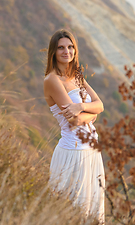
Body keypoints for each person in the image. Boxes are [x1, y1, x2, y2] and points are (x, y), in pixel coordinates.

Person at [43, 29, 105, 223]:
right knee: (73, 211)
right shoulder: (52, 80)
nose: (66, 51)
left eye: (70, 47)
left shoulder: (76, 76)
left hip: (92, 150)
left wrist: (81, 106)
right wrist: (90, 114)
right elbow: (74, 121)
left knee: (92, 210)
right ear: (53, 52)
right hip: (73, 152)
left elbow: (100, 105)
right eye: (61, 48)